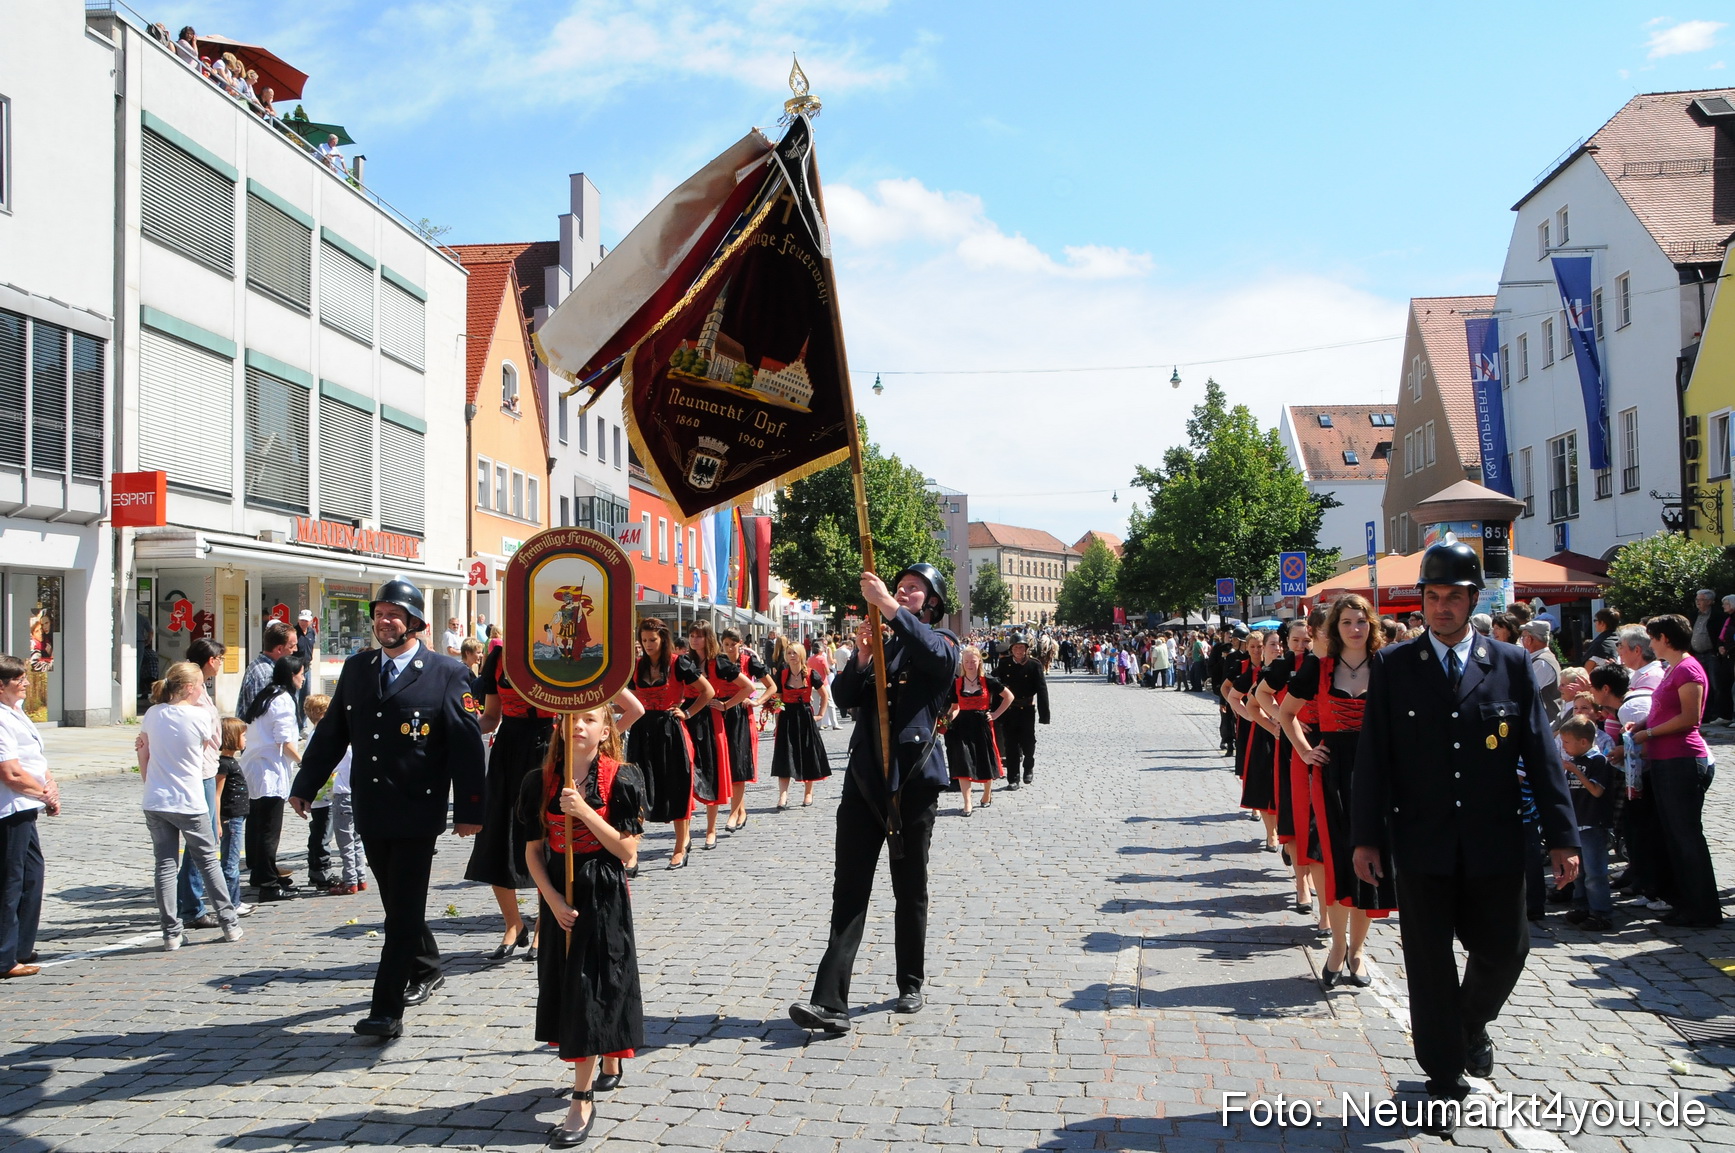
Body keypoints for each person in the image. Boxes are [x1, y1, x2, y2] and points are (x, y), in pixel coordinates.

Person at [1352, 540, 1579, 1135]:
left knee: (1508, 949)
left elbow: (1541, 753)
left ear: (1474, 599)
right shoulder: (1394, 665)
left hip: (1494, 840)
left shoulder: (1510, 662)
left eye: (1454, 596)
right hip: (1421, 841)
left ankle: (1469, 1024)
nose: (1443, 607)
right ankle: (1444, 1077)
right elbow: (1374, 757)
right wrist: (1366, 837)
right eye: (1433, 596)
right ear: (1422, 601)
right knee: (1429, 965)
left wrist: (1563, 836)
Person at [290, 580, 486, 1039]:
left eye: (395, 614)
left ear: (415, 622)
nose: (385, 621)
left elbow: (466, 746)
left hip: (418, 810)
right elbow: (333, 733)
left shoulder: (447, 673)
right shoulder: (358, 668)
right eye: (379, 613)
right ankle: (428, 966)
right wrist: (305, 785)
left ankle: (386, 1010)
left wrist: (470, 808)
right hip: (372, 807)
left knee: (401, 912)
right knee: (398, 902)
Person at [789, 564, 959, 1033]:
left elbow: (933, 657)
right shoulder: (882, 648)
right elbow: (845, 696)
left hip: (911, 784)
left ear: (932, 602)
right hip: (865, 782)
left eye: (913, 590)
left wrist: (885, 604)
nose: (903, 593)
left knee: (910, 887)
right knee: (849, 888)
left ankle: (910, 982)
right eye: (899, 588)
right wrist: (863, 656)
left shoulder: (942, 642)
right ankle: (830, 1003)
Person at [520, 705, 645, 1148]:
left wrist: (586, 813)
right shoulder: (538, 780)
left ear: (605, 730)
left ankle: (581, 1099)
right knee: (568, 987)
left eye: (590, 719)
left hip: (603, 893)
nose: (578, 725)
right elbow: (533, 852)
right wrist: (552, 902)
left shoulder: (623, 778)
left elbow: (627, 852)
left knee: (592, 988)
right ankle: (607, 1058)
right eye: (571, 719)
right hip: (559, 895)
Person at [137, 662, 243, 949]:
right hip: (188, 799)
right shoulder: (199, 716)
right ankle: (229, 924)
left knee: (165, 865)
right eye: (200, 685)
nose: (202, 690)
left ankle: (171, 932)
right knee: (208, 862)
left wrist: (151, 782)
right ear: (187, 687)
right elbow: (209, 748)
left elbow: (143, 752)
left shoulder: (153, 714)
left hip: (156, 799)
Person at [465, 640, 557, 960]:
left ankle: (545, 925)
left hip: (548, 747)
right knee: (496, 837)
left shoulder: (553, 652)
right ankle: (513, 924)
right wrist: (460, 731)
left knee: (545, 838)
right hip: (507, 750)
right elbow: (492, 716)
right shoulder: (498, 658)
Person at [1630, 614, 1722, 926]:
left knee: (1686, 836)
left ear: (1665, 639)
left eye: (1653, 638)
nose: (1650, 644)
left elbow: (1689, 718)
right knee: (1673, 835)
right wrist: (1642, 724)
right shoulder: (1673, 668)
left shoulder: (1688, 668)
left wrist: (1649, 733)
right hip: (1666, 759)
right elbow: (1664, 710)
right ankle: (1685, 902)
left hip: (1681, 759)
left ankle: (1702, 909)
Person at [626, 618, 709, 870]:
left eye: (652, 640)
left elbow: (707, 691)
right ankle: (631, 850)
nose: (648, 644)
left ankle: (681, 845)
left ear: (663, 639)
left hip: (670, 730)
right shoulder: (636, 666)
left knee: (677, 785)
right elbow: (628, 698)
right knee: (637, 788)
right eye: (644, 640)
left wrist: (688, 712)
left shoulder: (678, 663)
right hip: (642, 730)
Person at [0, 654, 57, 978]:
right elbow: (10, 772)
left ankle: (20, 946)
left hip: (26, 804)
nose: (25, 683)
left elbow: (34, 757)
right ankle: (4, 957)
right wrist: (43, 793)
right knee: (11, 880)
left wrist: (49, 784)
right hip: (9, 808)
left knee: (32, 875)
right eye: (18, 679)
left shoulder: (16, 710)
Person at [241, 656, 305, 902]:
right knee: (269, 829)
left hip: (255, 767)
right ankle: (268, 884)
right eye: (301, 674)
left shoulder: (267, 694)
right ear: (291, 675)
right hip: (268, 771)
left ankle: (260, 873)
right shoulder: (283, 699)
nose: (303, 679)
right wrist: (303, 762)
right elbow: (284, 741)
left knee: (257, 826)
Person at [686, 622, 747, 849]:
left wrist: (726, 705)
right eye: (692, 636)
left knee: (712, 773)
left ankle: (711, 829)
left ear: (708, 638)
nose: (694, 640)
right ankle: (685, 833)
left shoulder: (718, 662)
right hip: (688, 717)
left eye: (699, 636)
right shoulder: (685, 661)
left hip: (711, 719)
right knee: (685, 773)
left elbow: (748, 687)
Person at [1558, 715, 1616, 931]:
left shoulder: (1597, 761)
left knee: (1595, 872)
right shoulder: (1574, 761)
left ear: (1583, 742)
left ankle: (1601, 912)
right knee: (1579, 871)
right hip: (1577, 823)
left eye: (1567, 742)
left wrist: (1574, 771)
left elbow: (1596, 791)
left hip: (1593, 824)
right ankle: (1581, 906)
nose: (1564, 747)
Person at [944, 645, 1011, 817]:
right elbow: (955, 707)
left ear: (979, 661)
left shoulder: (988, 680)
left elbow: (1009, 697)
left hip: (982, 724)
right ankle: (967, 803)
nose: (969, 665)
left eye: (973, 661)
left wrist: (995, 714)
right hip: (962, 726)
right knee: (963, 762)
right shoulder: (957, 683)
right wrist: (946, 720)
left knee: (985, 760)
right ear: (962, 663)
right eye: (966, 661)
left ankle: (987, 794)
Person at [719, 629, 773, 834]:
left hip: (741, 714)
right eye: (726, 644)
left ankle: (734, 813)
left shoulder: (749, 661)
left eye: (733, 644)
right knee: (727, 763)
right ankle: (740, 810)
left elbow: (771, 686)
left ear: (740, 643)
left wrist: (757, 701)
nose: (729, 648)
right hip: (722, 712)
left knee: (739, 762)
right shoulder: (719, 662)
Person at [771, 641, 831, 809]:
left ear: (801, 655)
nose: (792, 656)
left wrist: (820, 714)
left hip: (805, 716)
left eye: (795, 653)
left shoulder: (811, 674)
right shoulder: (782, 674)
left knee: (808, 753)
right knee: (785, 756)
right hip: (787, 717)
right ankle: (783, 796)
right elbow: (777, 699)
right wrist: (777, 721)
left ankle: (808, 793)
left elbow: (824, 695)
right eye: (789, 653)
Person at [993, 634, 1050, 788]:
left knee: (1028, 742)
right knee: (1010, 744)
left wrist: (1044, 715)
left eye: (1021, 647)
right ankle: (1013, 779)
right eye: (1016, 647)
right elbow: (997, 687)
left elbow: (1042, 690)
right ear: (1011, 649)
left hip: (1027, 709)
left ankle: (1028, 765)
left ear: (1026, 649)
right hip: (1009, 710)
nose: (1019, 650)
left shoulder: (1034, 665)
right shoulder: (1004, 664)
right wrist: (995, 711)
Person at [214, 717, 251, 915]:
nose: (245, 739)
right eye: (243, 735)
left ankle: (234, 900)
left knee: (232, 860)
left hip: (237, 816)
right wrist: (218, 821)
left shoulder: (230, 762)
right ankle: (231, 903)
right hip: (230, 817)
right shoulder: (223, 764)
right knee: (230, 861)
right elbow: (217, 794)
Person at [238, 620, 295, 719]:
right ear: (279, 649)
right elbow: (262, 716)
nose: (295, 649)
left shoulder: (267, 667)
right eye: (292, 646)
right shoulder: (265, 674)